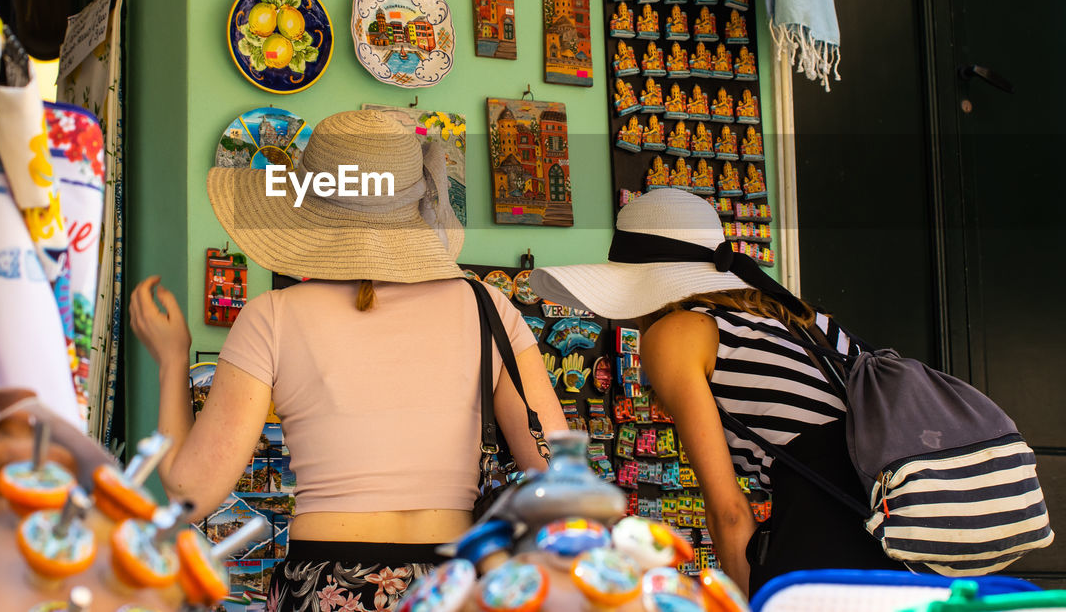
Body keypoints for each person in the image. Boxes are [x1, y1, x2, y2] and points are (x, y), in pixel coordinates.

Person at [129, 110, 566, 612]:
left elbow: (191, 495)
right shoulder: (489, 308)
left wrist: (170, 360)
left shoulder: (272, 317)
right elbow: (556, 476)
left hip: (324, 585)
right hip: (457, 588)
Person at [528, 189, 900, 595]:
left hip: (834, 547)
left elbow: (730, 513)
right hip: (914, 534)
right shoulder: (805, 324)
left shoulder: (676, 333)